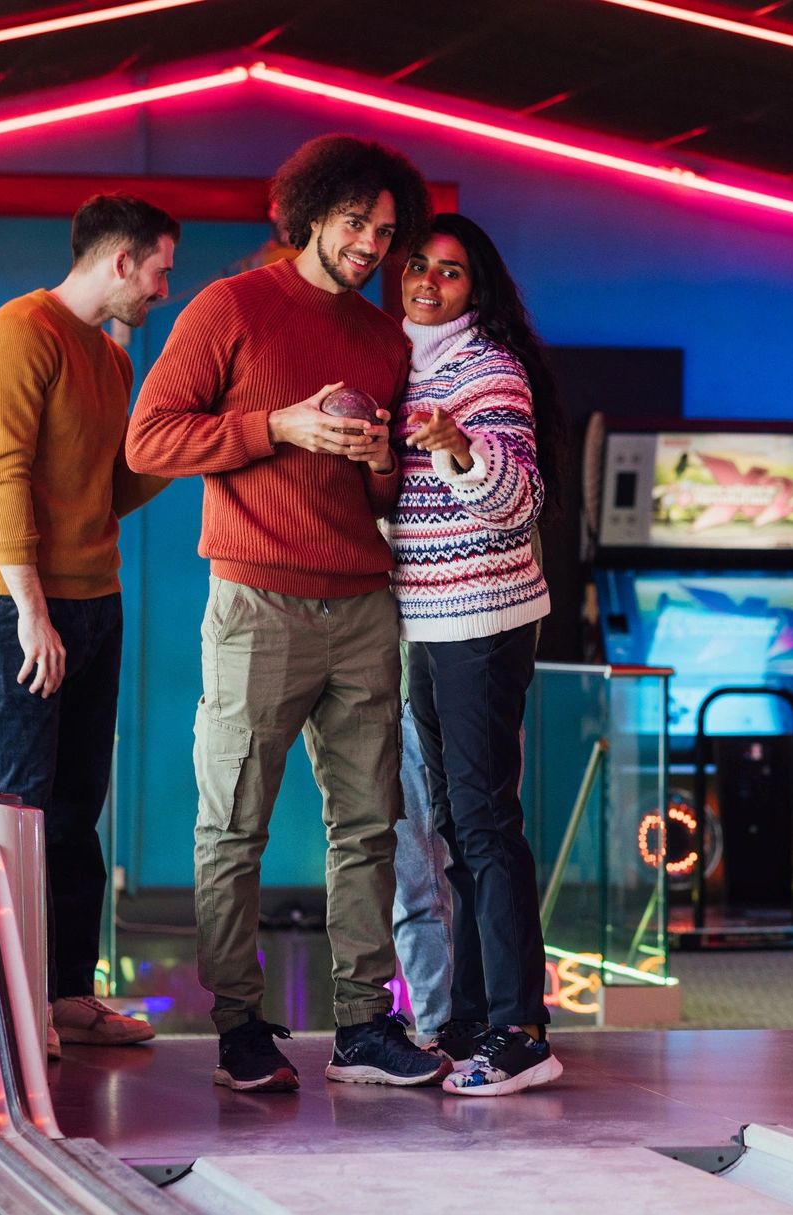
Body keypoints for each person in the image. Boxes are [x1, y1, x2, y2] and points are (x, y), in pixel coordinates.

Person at [126, 134, 442, 1092]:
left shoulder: (385, 339)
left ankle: (362, 1027)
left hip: (362, 605)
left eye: (386, 233)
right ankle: (237, 1029)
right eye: (356, 224)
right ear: (308, 215)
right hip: (256, 599)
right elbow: (150, 440)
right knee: (234, 823)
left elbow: (383, 496)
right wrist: (281, 426)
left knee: (368, 829)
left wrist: (379, 458)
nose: (371, 247)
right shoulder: (232, 306)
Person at [0, 193, 179, 1056]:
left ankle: (67, 995)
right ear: (120, 262)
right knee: (17, 805)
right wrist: (31, 613)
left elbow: (113, 489)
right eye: (160, 269)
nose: (165, 288)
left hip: (95, 599)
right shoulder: (17, 335)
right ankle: (11, 1006)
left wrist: (183, 452)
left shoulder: (110, 358)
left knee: (79, 807)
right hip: (22, 601)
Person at [392, 213, 562, 1096]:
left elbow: (519, 500)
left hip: (484, 618)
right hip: (423, 620)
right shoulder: (400, 362)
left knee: (487, 824)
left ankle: (521, 1028)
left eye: (450, 272)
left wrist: (459, 448)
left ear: (476, 288)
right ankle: (466, 1016)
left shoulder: (488, 368)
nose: (428, 281)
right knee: (456, 828)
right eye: (417, 264)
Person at [393, 673, 456, 1042]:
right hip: (403, 705)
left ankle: (494, 1027)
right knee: (415, 885)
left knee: (490, 874)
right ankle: (437, 1030)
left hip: (481, 697)